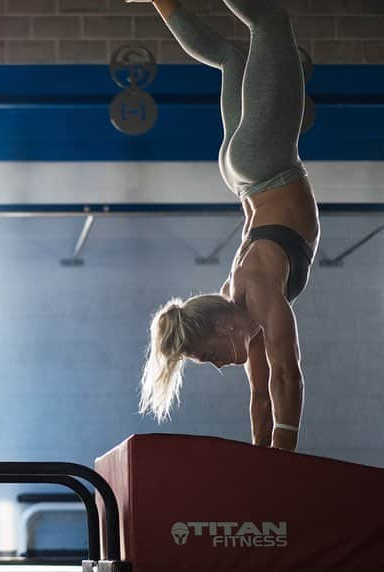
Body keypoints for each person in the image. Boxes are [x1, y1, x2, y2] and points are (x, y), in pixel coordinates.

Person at [134, 0, 320, 452]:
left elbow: (288, 373)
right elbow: (260, 397)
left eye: (210, 355)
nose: (218, 365)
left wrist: (284, 454)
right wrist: (263, 461)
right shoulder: (251, 317)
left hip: (266, 163)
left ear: (224, 327)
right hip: (243, 175)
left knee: (270, 20)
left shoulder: (255, 289)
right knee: (231, 59)